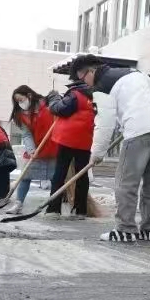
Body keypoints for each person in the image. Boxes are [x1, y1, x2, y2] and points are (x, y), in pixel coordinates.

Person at [71, 55, 150, 242]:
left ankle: (125, 229)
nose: (84, 83)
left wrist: (97, 153)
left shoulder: (102, 87)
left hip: (138, 130)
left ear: (91, 71)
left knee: (125, 182)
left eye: (82, 78)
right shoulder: (132, 72)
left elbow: (104, 123)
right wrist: (143, 109)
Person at [46, 76, 95, 219]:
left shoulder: (75, 94)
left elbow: (60, 109)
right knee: (82, 175)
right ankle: (80, 211)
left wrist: (54, 98)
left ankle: (53, 209)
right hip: (86, 140)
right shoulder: (95, 96)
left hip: (67, 139)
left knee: (60, 173)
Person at [8, 86, 60, 216]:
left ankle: (54, 206)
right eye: (18, 102)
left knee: (56, 179)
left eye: (21, 99)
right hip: (37, 149)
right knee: (25, 176)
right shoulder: (22, 114)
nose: (20, 103)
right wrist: (31, 150)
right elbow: (26, 134)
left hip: (55, 147)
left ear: (29, 95)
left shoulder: (49, 106)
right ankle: (18, 204)